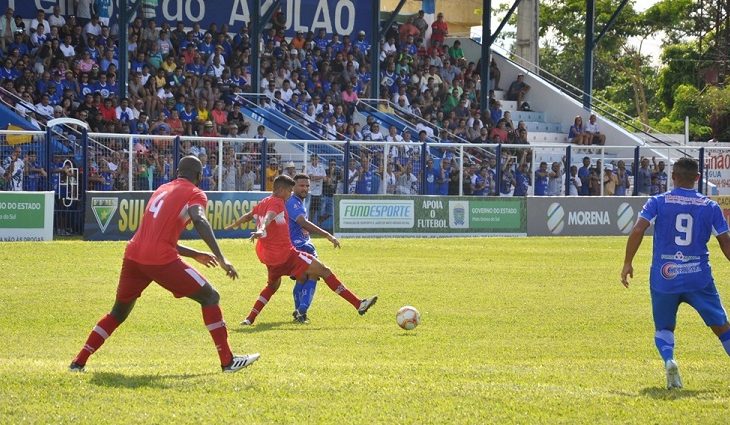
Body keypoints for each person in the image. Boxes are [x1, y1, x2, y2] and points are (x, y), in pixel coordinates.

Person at [69, 156, 259, 373]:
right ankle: (228, 361)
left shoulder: (161, 189)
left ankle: (78, 362)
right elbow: (200, 219)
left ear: (178, 171)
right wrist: (222, 257)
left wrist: (194, 253)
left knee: (118, 313)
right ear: (199, 176)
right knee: (210, 296)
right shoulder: (195, 193)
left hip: (133, 257)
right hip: (160, 260)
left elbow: (155, 235)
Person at [621, 157, 730, 390]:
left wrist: (627, 263)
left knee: (664, 328)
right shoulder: (710, 206)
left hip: (664, 276)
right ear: (697, 178)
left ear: (673, 176)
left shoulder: (658, 201)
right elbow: (725, 244)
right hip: (698, 277)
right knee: (721, 326)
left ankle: (670, 360)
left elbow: (638, 229)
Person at [226, 175, 377, 326]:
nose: (291, 194)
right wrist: (262, 228)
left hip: (269, 258)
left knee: (272, 286)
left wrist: (233, 225)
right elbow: (269, 217)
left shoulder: (264, 201)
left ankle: (250, 318)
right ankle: (358, 304)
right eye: (290, 190)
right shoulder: (278, 202)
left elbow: (248, 216)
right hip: (287, 255)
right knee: (324, 271)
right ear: (281, 190)